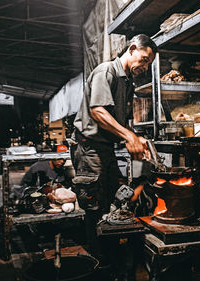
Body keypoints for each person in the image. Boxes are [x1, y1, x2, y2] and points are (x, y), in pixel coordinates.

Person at [71, 34, 157, 279]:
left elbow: (117, 121)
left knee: (109, 203)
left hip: (105, 149)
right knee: (94, 207)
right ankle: (96, 265)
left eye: (149, 63)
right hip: (90, 149)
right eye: (144, 59)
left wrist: (135, 138)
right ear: (131, 49)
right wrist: (129, 137)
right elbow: (98, 111)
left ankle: (107, 259)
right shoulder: (106, 71)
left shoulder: (126, 81)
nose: (145, 66)